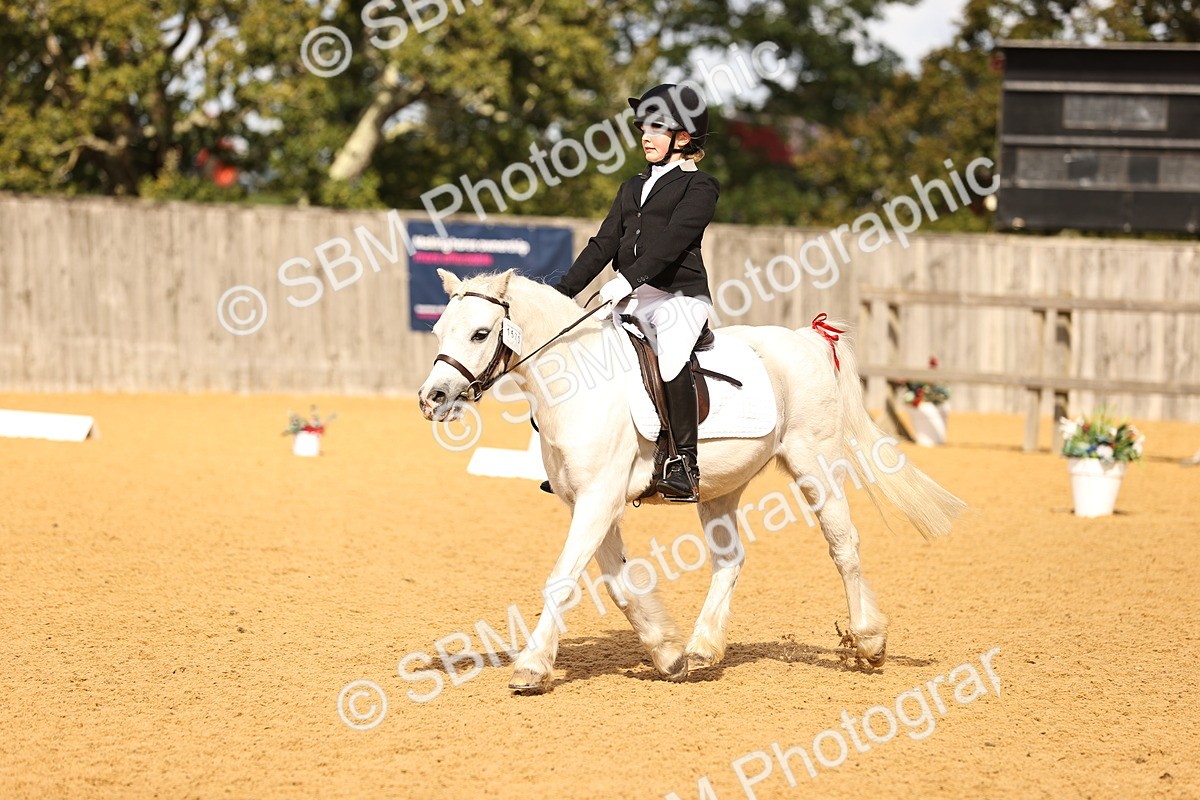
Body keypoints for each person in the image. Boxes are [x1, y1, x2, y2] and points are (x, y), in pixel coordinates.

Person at [553, 83, 719, 502]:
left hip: (678, 298)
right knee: (585, 354)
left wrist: (629, 280)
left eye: (656, 127)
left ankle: (684, 463)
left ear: (683, 137)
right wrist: (562, 293)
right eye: (643, 126)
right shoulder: (631, 186)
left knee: (671, 360)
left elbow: (674, 242)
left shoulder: (700, 188)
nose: (645, 135)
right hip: (631, 298)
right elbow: (603, 244)